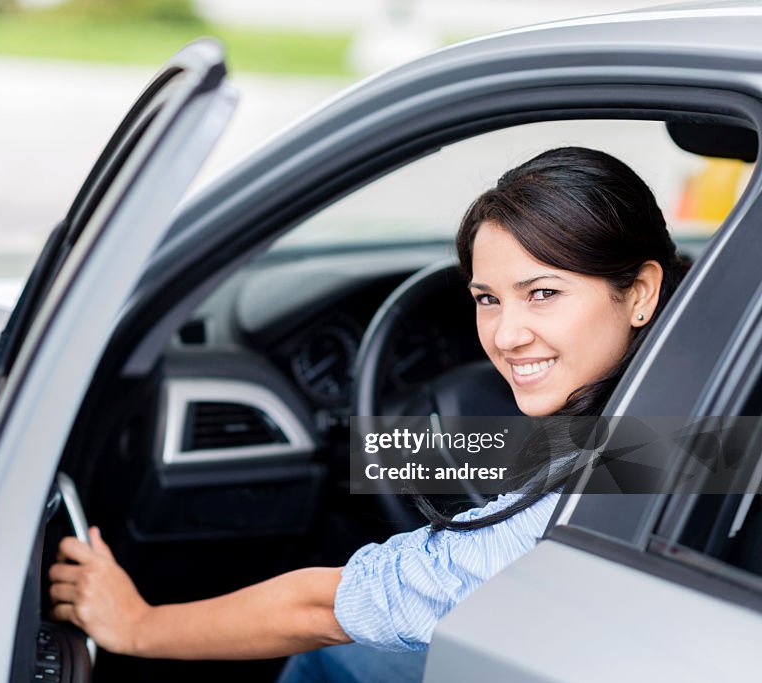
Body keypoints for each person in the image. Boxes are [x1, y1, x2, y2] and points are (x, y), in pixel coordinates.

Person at [46, 147, 692, 681]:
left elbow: (317, 606)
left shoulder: (555, 509)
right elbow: (550, 455)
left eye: (543, 293)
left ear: (638, 292)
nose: (506, 335)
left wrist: (136, 624)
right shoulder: (706, 404)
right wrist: (376, 450)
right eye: (487, 298)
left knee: (332, 654)